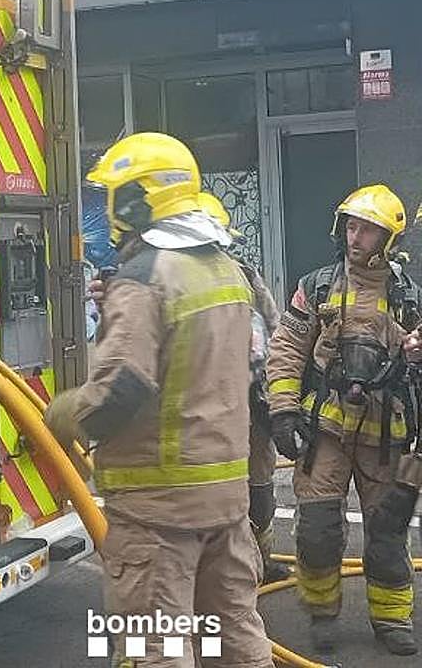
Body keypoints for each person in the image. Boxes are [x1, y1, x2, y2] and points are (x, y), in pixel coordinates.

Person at [46, 133, 274, 668]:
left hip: (158, 510)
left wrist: (63, 415)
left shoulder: (145, 278)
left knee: (159, 648)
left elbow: (120, 390)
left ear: (135, 201)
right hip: (224, 502)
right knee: (232, 636)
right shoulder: (226, 271)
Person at [266, 184, 422, 656]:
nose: (356, 238)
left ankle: (392, 618)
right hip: (326, 431)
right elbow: (287, 350)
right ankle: (322, 612)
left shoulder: (408, 297)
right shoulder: (316, 286)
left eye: (368, 230)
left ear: (388, 239)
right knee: (316, 530)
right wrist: (284, 409)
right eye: (351, 227)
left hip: (385, 435)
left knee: (388, 530)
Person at [196, 192, 291, 586]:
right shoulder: (175, 286)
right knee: (220, 489)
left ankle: (258, 562)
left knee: (257, 484)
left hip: (248, 403)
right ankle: (226, 569)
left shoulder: (246, 277)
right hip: (211, 409)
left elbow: (277, 331)